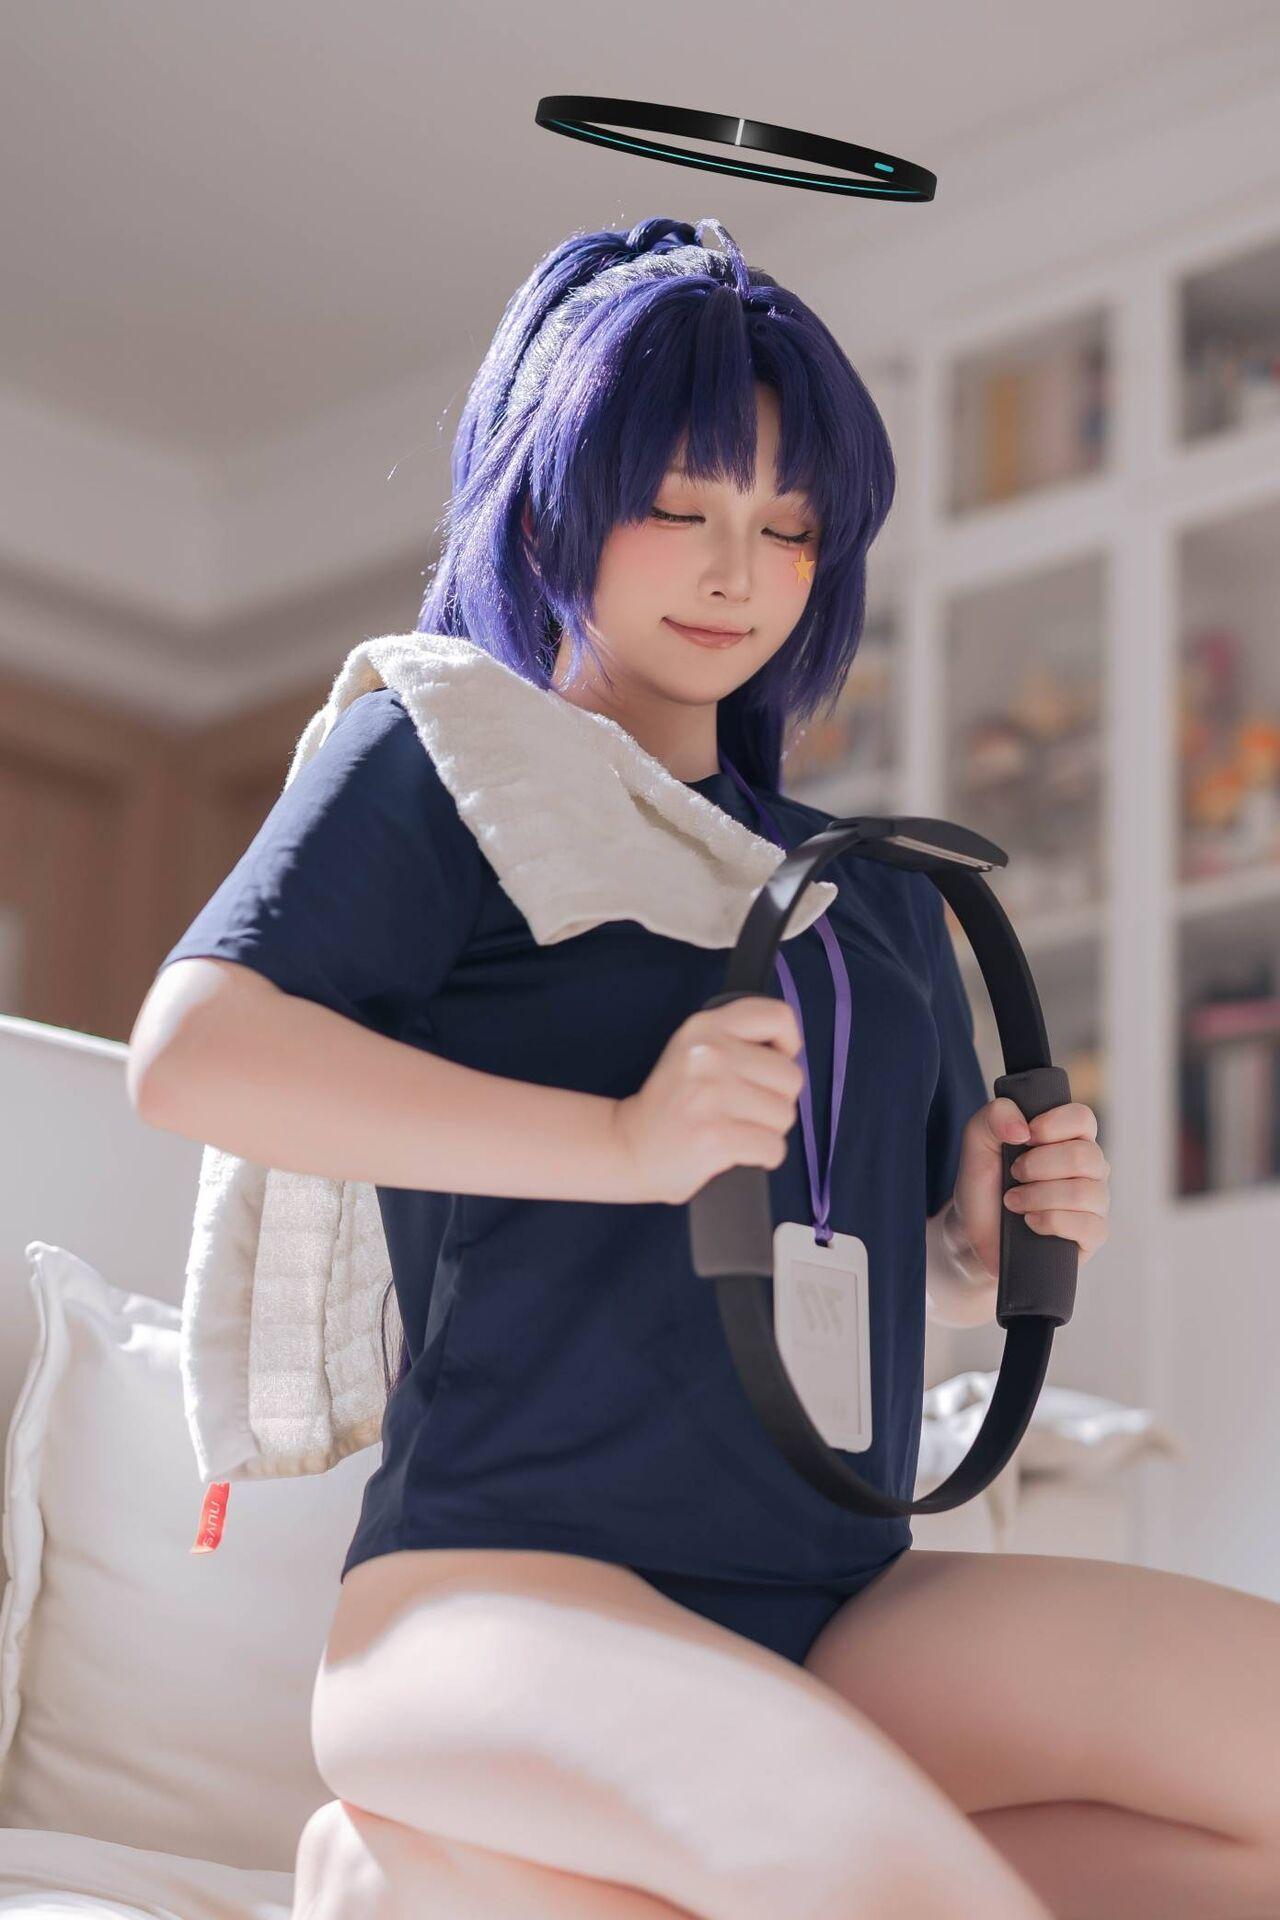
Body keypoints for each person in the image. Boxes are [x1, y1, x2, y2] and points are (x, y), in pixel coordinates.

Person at [129, 218, 1280, 1920]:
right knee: (892, 1890)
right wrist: (622, 1137)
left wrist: (980, 1238)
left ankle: (439, 1875)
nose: (738, 570)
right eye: (680, 508)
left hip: (844, 1602)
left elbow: (876, 1258)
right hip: (504, 1591)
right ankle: (455, 1837)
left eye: (790, 526)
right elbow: (196, 1054)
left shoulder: (871, 888)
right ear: (550, 502)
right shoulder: (453, 755)